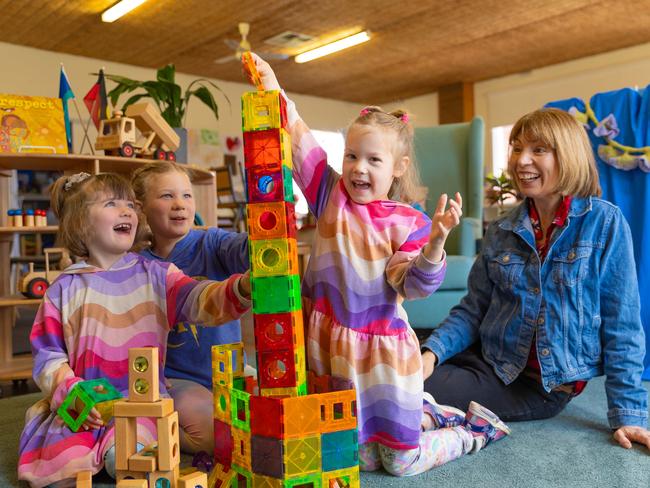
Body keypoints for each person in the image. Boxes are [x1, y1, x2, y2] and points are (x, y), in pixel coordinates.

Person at [245, 53, 510, 477]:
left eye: (373, 160)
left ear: (398, 168)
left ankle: (470, 430)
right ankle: (426, 411)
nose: (358, 168)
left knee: (401, 463)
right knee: (362, 458)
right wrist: (273, 86)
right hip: (331, 345)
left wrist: (437, 242)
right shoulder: (328, 193)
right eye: (351, 156)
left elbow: (413, 284)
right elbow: (297, 137)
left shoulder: (407, 221)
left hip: (383, 356)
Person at [422, 107, 650, 450]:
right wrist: (430, 354)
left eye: (538, 150)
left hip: (537, 386)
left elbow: (623, 324)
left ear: (568, 156)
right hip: (490, 355)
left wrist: (629, 414)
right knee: (399, 351)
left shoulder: (605, 223)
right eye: (516, 148)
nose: (521, 160)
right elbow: (473, 310)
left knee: (410, 389)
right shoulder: (501, 229)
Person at [17, 172, 251, 487]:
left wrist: (241, 289)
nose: (127, 210)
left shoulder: (160, 275)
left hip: (141, 402)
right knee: (60, 473)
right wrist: (69, 391)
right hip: (85, 404)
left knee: (127, 461)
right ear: (81, 223)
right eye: (112, 203)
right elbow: (49, 355)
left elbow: (200, 298)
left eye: (130, 204)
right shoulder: (62, 288)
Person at [131, 162, 249, 454]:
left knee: (276, 417)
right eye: (167, 196)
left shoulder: (212, 241)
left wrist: (262, 230)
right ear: (141, 206)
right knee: (213, 439)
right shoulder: (136, 263)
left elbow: (244, 249)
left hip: (232, 372)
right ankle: (147, 434)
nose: (179, 205)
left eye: (186, 196)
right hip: (178, 378)